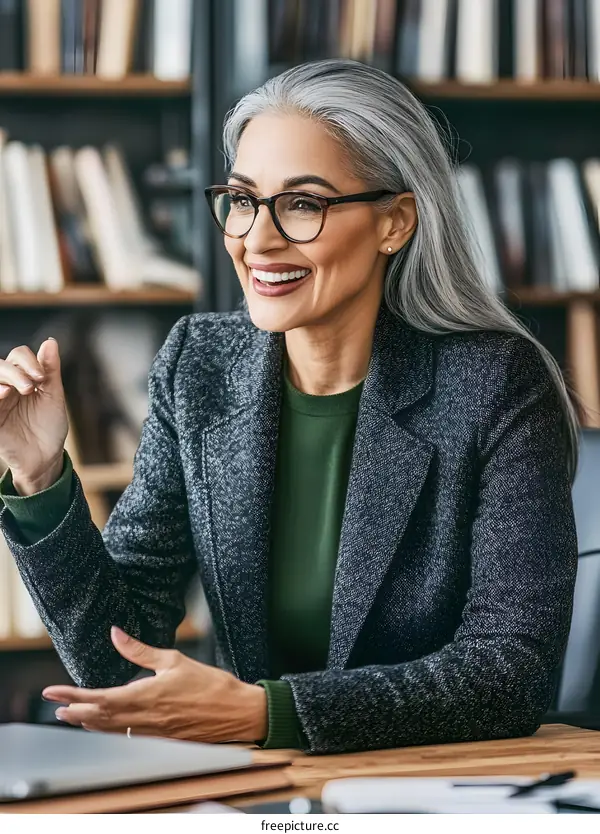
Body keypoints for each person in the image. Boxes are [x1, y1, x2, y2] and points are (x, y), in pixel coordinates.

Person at [0, 60, 578, 755]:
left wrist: (266, 714)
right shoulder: (201, 365)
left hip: (431, 787)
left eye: (303, 204)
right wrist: (40, 481)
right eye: (242, 199)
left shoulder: (494, 382)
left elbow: (510, 672)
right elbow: (122, 663)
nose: (258, 239)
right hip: (263, 789)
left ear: (394, 222)